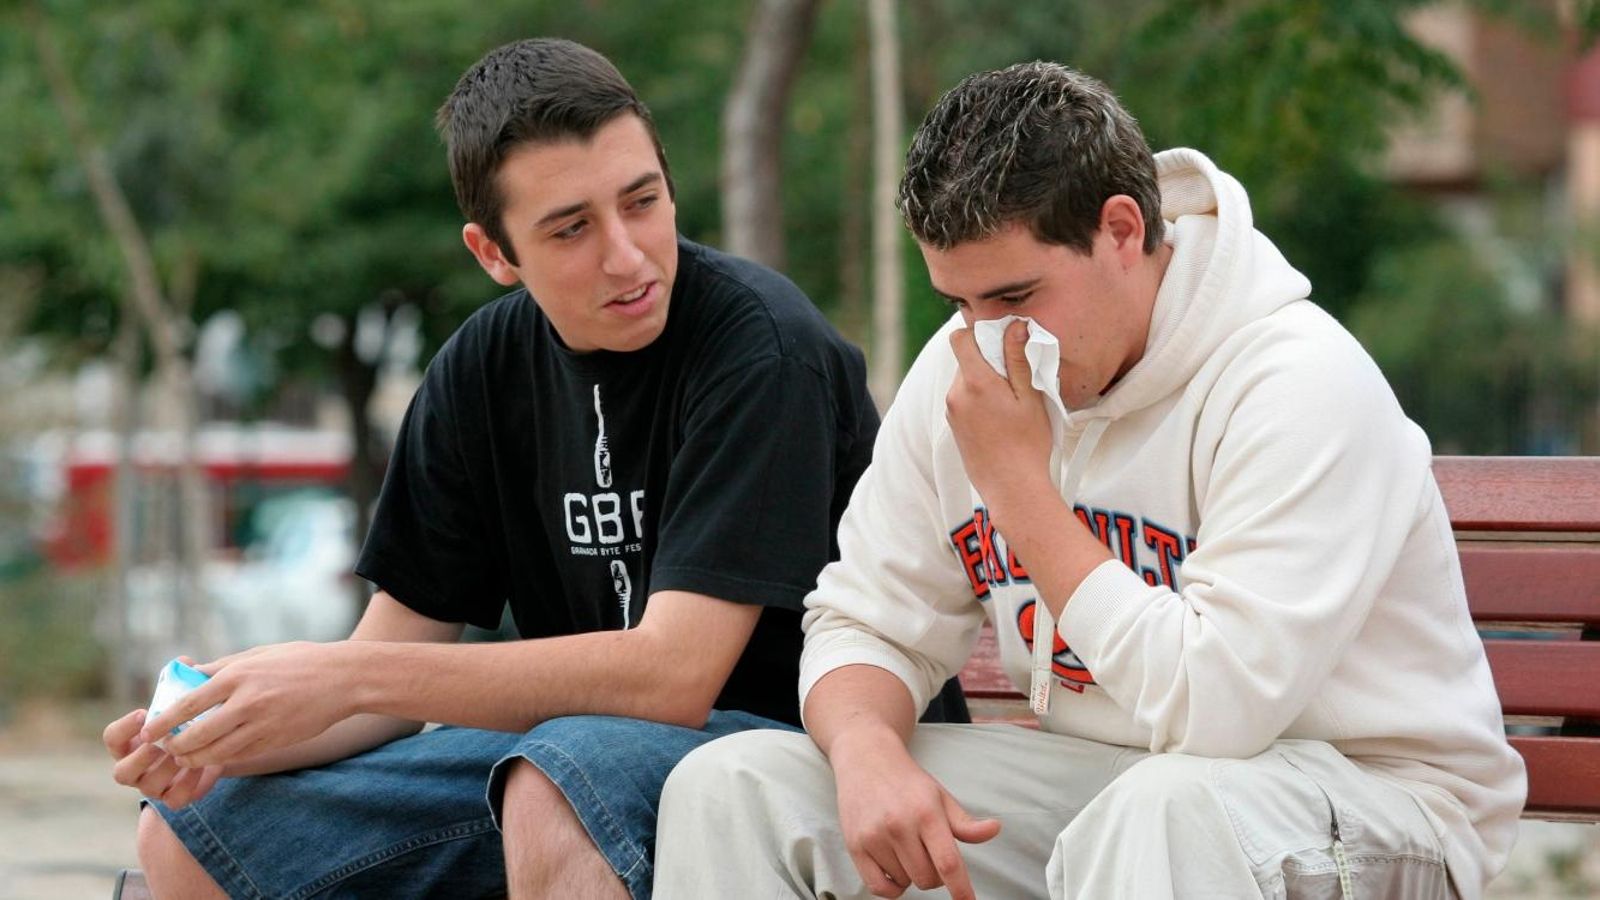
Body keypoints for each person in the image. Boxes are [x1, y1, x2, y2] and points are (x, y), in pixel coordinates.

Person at [102, 37, 961, 900]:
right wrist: (218, 730)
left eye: (643, 201)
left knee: (559, 783)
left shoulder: (761, 347)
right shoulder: (480, 371)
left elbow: (674, 676)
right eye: (572, 228)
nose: (627, 255)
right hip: (574, 760)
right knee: (195, 831)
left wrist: (342, 676)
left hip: (803, 760)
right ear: (494, 253)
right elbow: (387, 681)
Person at [653, 61, 1527, 900]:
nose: (987, 337)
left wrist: (1019, 490)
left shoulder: (1298, 381)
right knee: (737, 786)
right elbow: (863, 619)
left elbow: (1216, 709)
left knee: (1165, 812)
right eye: (959, 303)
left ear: (1121, 230)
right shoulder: (965, 373)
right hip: (1125, 796)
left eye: (1015, 297)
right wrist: (864, 752)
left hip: (1381, 807)